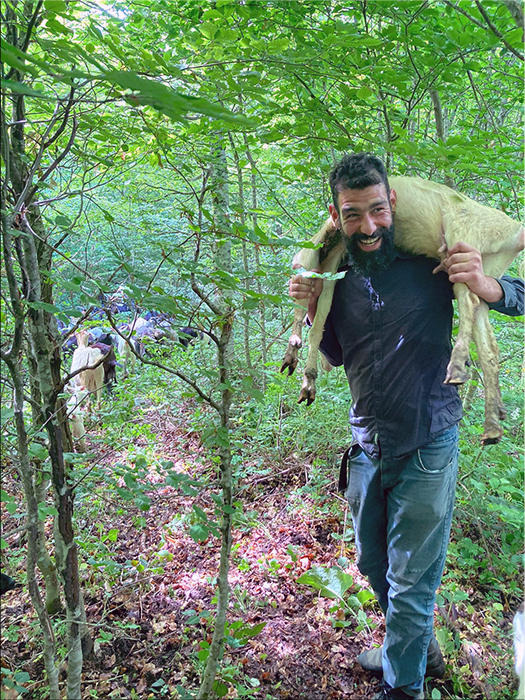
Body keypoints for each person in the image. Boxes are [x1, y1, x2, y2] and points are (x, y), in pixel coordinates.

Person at [288, 153, 524, 700]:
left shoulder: (433, 260)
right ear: (337, 214)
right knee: (374, 565)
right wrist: (308, 311)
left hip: (427, 442)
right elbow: (337, 353)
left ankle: (404, 687)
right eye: (353, 215)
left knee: (411, 584)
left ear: (392, 202)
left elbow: (518, 298)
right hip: (368, 442)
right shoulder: (339, 273)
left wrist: (488, 286)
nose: (368, 226)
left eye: (377, 210)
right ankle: (417, 645)